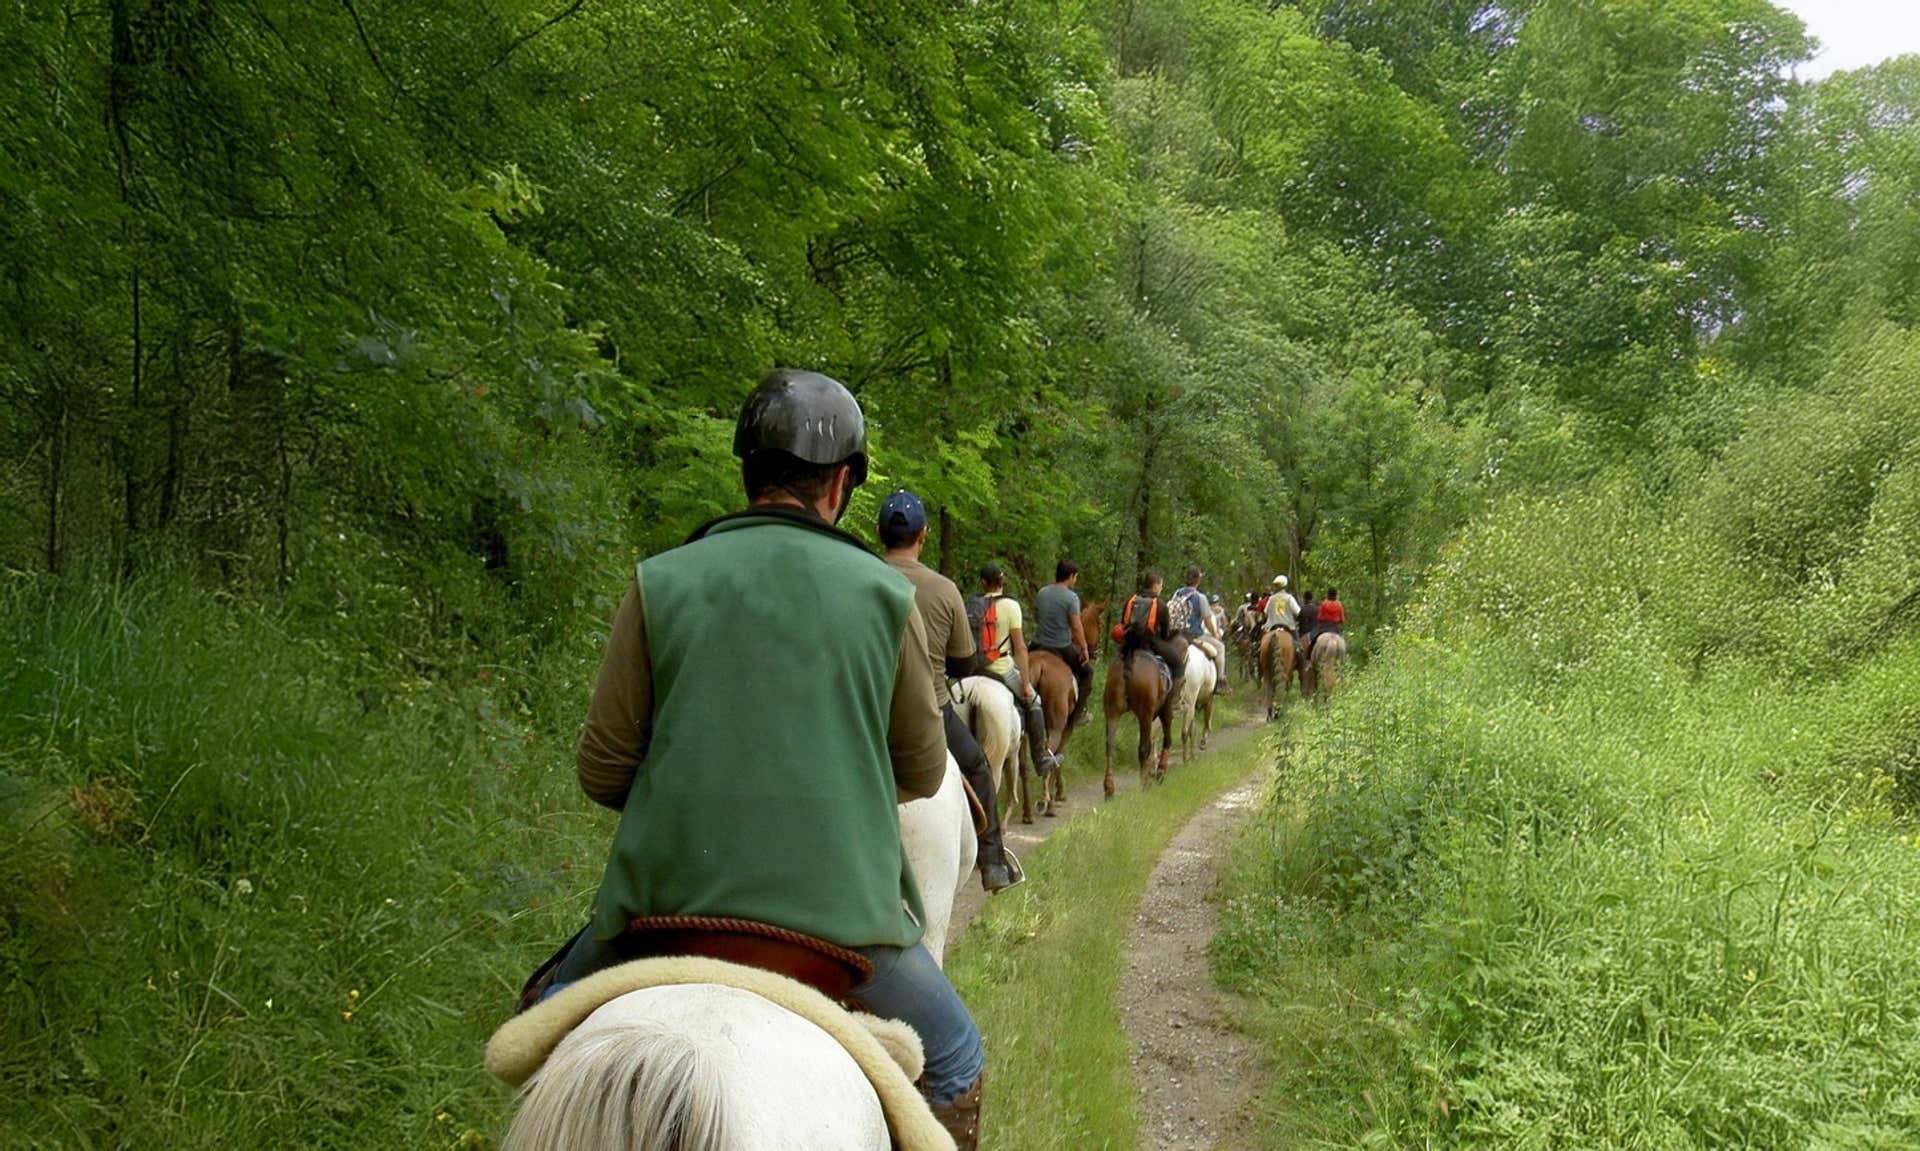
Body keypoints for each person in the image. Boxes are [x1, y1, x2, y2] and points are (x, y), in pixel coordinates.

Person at [557, 369, 986, 1143]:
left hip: (660, 908)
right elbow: (923, 772)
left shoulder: (660, 581)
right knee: (956, 1055)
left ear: (746, 470)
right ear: (842, 486)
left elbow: (602, 770)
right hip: (841, 923)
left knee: (538, 1027)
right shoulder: (883, 598)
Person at [878, 489, 1021, 895]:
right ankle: (992, 863)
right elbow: (964, 662)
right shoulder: (944, 590)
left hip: (862, 706)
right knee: (976, 766)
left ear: (879, 533)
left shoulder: (858, 577)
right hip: (930, 708)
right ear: (923, 536)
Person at [970, 562, 1064, 777]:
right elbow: (1020, 648)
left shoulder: (972, 605)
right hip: (1000, 669)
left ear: (983, 583)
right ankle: (1040, 759)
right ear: (1002, 581)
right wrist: (1026, 685)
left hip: (973, 670)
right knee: (1034, 702)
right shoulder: (1011, 606)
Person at [1031, 559, 1094, 721]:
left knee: (1019, 669)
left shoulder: (1042, 592)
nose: (1076, 580)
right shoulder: (1071, 598)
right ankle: (1079, 713)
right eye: (1076, 577)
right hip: (1061, 646)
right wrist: (1085, 648)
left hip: (1038, 644)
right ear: (1071, 576)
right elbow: (1076, 626)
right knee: (1087, 674)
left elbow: (1038, 616)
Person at [1116, 569, 1187, 695]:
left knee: (1117, 660)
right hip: (1151, 643)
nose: (1161, 588)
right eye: (1161, 585)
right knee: (1178, 665)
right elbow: (1165, 633)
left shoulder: (1130, 600)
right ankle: (1172, 703)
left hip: (1130, 642)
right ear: (1155, 585)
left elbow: (1123, 624)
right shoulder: (1160, 604)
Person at [1170, 566, 1229, 695]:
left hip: (1175, 634)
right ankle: (1220, 682)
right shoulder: (1200, 597)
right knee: (1220, 648)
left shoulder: (1177, 593)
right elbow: (1207, 620)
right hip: (1193, 635)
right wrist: (1215, 634)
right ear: (1198, 580)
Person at [1264, 574, 1301, 659]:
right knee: (1299, 648)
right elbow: (1297, 612)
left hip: (1272, 627)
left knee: (1260, 646)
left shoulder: (1271, 598)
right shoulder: (1289, 598)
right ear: (1285, 585)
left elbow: (1265, 612)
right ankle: (1302, 665)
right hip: (1288, 627)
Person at [1296, 590, 1320, 666]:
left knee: (1296, 647)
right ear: (1312, 599)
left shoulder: (1301, 609)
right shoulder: (1318, 609)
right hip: (1315, 633)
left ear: (1304, 599)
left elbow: (1298, 621)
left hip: (1304, 634)